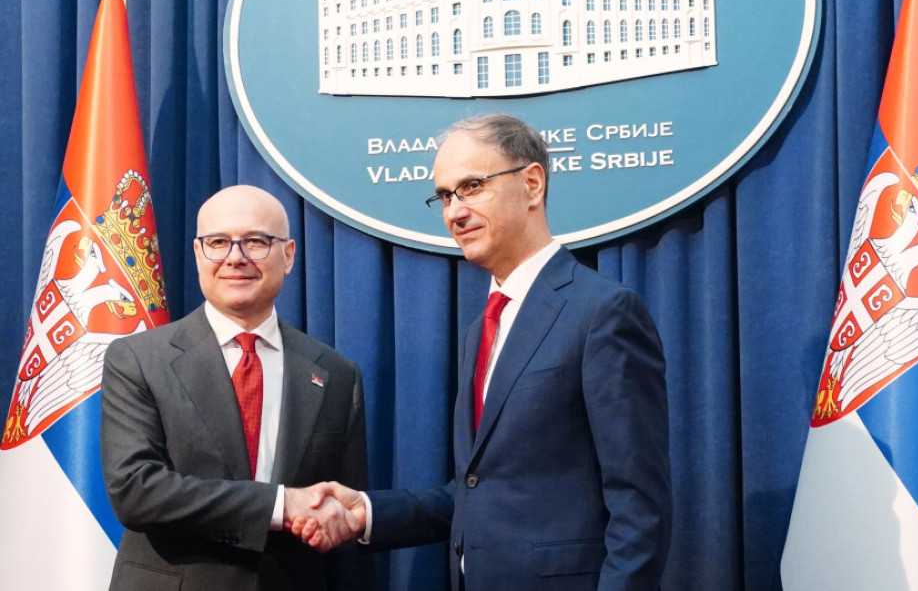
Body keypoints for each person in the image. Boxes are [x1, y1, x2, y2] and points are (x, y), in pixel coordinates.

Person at [297, 114, 672, 590]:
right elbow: (479, 491)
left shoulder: (603, 312)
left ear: (532, 184)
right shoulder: (482, 329)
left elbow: (639, 506)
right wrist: (366, 513)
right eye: (445, 196)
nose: (454, 212)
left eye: (472, 187)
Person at [101, 185, 371, 590]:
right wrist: (281, 505)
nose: (235, 257)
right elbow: (135, 490)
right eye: (218, 243)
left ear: (288, 255)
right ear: (198, 253)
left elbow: (343, 525)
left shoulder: (336, 374)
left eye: (256, 242)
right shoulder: (137, 359)